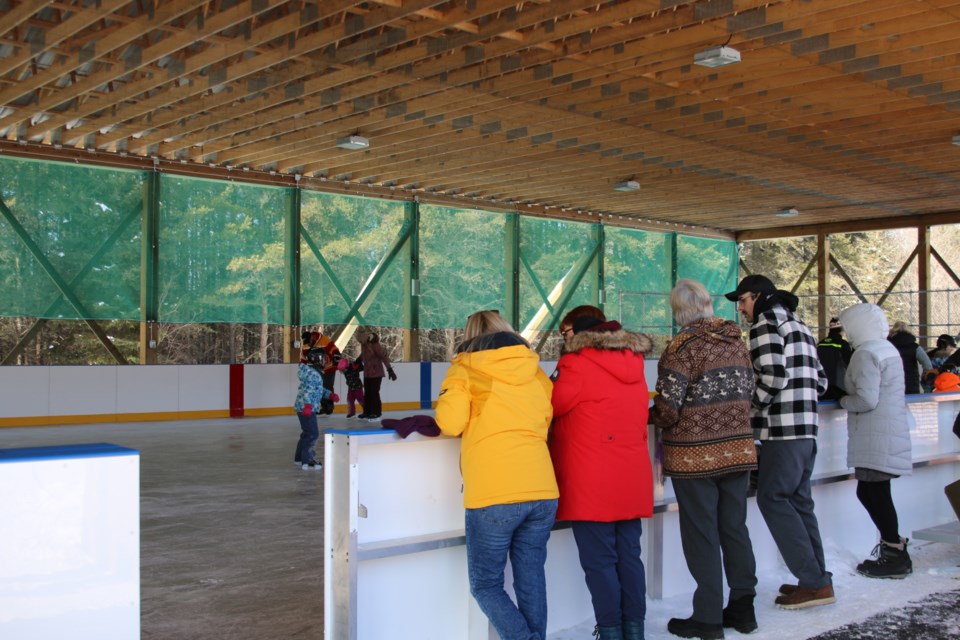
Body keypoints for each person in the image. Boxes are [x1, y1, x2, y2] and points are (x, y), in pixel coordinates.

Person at [435, 310, 558, 640]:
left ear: (470, 335)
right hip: (542, 488)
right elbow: (546, 418)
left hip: (494, 491)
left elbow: (449, 423)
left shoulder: (466, 368)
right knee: (530, 575)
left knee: (486, 585)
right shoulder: (535, 372)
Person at [651, 280, 758, 640]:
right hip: (739, 449)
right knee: (734, 528)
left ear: (679, 311)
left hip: (694, 456)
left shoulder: (682, 347)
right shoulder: (736, 343)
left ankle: (708, 618)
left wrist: (651, 416)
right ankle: (743, 609)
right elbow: (751, 392)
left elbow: (668, 407)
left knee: (701, 534)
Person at [724, 274, 834, 610]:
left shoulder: (764, 324)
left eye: (742, 300)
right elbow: (821, 381)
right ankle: (816, 577)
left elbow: (771, 376)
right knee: (800, 501)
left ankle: (813, 583)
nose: (740, 309)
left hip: (780, 430)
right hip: (806, 428)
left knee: (773, 498)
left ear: (757, 296)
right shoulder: (799, 324)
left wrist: (749, 407)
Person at [550, 306, 653, 640]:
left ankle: (610, 630)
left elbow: (551, 406)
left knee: (600, 562)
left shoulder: (575, 364)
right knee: (629, 557)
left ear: (578, 336)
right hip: (631, 474)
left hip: (591, 477)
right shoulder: (634, 364)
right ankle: (634, 630)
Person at [837, 303, 913, 579]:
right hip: (887, 431)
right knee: (876, 493)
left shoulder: (865, 353)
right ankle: (895, 549)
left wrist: (842, 399)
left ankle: (894, 551)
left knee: (873, 494)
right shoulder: (886, 349)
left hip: (874, 434)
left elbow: (867, 399)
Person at [294, 346, 336, 470]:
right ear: (317, 359)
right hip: (307, 408)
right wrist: (307, 405)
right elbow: (308, 391)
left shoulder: (313, 373)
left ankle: (299, 458)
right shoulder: (313, 374)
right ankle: (308, 460)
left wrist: (330, 394)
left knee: (307, 433)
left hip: (304, 407)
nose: (325, 361)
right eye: (323, 359)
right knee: (313, 434)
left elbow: (318, 389)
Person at [357, 329, 396, 422]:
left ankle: (376, 412)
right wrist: (358, 360)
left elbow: (384, 357)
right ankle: (367, 412)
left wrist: (389, 370)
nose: (360, 342)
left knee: (374, 393)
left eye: (361, 340)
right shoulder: (364, 344)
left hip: (376, 373)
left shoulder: (375, 344)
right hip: (367, 373)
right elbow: (364, 354)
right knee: (367, 393)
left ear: (365, 337)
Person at [886, 321, 932, 395]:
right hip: (912, 384)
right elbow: (927, 364)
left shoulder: (888, 346)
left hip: (892, 383)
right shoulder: (915, 347)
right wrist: (924, 378)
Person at [303, 329, 341, 415]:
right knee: (319, 386)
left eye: (309, 342)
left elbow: (335, 350)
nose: (308, 344)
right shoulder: (308, 343)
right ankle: (323, 406)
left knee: (327, 386)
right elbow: (304, 355)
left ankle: (329, 406)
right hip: (318, 368)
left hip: (329, 368)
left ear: (312, 338)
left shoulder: (325, 340)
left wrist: (336, 358)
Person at [816, 318, 853, 401]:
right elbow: (850, 365)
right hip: (838, 389)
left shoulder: (820, 343)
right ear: (842, 330)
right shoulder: (842, 344)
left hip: (822, 386)